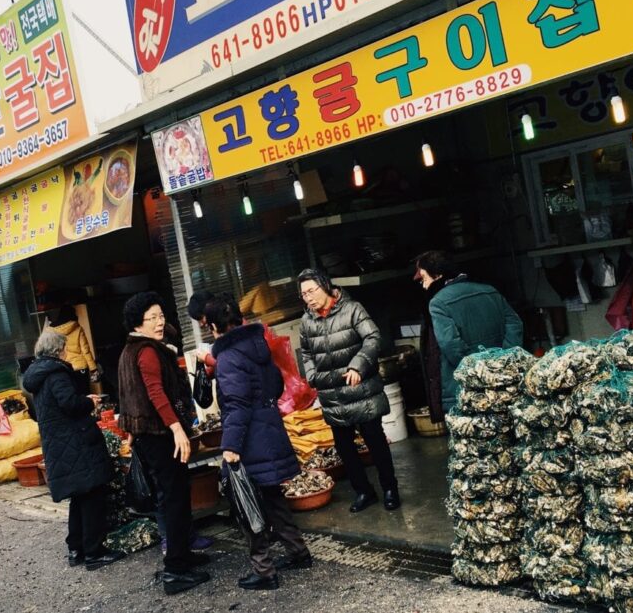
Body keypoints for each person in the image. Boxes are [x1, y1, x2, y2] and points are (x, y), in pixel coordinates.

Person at [204, 293, 310, 591]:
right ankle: (298, 552)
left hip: (249, 440)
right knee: (274, 498)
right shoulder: (258, 344)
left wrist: (231, 446)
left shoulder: (227, 357)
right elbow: (276, 384)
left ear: (213, 326)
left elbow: (236, 405)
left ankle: (264, 571)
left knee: (246, 503)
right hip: (271, 428)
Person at [117, 292, 210, 596]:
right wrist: (176, 429)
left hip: (148, 435)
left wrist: (131, 431)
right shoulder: (146, 352)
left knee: (176, 494)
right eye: (152, 318)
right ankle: (175, 572)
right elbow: (155, 393)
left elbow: (129, 395)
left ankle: (182, 555)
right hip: (160, 435)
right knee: (173, 497)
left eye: (161, 315)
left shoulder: (131, 350)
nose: (159, 322)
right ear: (137, 324)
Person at [297, 268, 400, 513]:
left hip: (362, 390)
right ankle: (364, 491)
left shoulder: (352, 309)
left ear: (325, 286)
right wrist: (311, 376)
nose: (308, 298)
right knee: (345, 448)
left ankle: (390, 488)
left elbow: (373, 337)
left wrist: (358, 366)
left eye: (311, 291)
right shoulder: (306, 321)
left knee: (376, 443)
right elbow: (307, 353)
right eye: (303, 294)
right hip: (332, 395)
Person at [22, 329, 124, 570]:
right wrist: (90, 401)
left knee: (79, 497)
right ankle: (94, 552)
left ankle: (76, 548)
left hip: (60, 444)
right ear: (58, 351)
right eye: (65, 348)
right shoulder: (56, 373)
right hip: (75, 442)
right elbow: (69, 404)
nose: (68, 352)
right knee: (91, 496)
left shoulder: (38, 375)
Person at [414, 250, 524, 415]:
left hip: (467, 387)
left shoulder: (437, 303)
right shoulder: (490, 291)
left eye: (424, 278)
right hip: (504, 377)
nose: (423, 285)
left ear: (437, 275)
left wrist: (476, 372)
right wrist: (504, 359)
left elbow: (450, 344)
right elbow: (515, 325)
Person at [48, 306, 98, 392]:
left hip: (64, 368)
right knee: (85, 394)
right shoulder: (77, 328)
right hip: (80, 367)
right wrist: (93, 368)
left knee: (72, 395)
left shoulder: (51, 331)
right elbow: (85, 350)